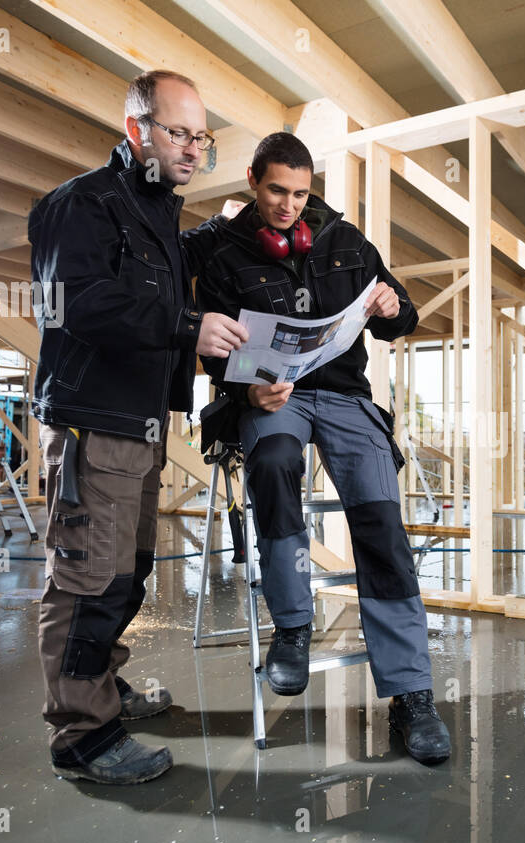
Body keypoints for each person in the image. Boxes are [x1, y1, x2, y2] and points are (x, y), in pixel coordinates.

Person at [193, 132, 451, 764]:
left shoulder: (344, 240)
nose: (288, 206)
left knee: (382, 524)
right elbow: (210, 349)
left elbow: (402, 317)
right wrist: (246, 395)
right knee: (276, 462)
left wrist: (392, 303)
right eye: (277, 191)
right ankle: (293, 626)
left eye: (300, 193)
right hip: (271, 398)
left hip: (342, 397)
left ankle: (411, 693)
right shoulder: (223, 254)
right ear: (254, 180)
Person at [29, 70, 248, 784]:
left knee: (128, 574)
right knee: (89, 579)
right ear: (137, 130)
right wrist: (188, 325)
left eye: (201, 138)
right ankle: (82, 737)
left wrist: (230, 226)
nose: (192, 149)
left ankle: (101, 685)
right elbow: (79, 305)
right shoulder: (84, 203)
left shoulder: (155, 212)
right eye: (179, 133)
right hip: (94, 422)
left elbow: (154, 278)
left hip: (141, 425)